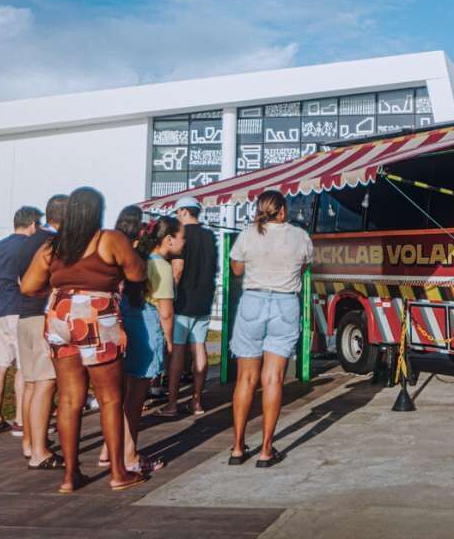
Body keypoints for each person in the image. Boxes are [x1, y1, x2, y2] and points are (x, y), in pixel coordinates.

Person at [20, 187, 146, 494]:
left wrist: (61, 291)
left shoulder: (53, 246)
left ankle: (70, 475)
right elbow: (137, 273)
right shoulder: (109, 239)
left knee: (69, 399)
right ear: (96, 212)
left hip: (60, 315)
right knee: (110, 398)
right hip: (96, 316)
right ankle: (118, 473)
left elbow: (28, 286)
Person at [228, 190, 312, 467]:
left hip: (253, 300)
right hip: (285, 304)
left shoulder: (249, 233)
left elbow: (237, 270)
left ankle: (238, 447)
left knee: (245, 380)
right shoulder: (300, 236)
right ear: (283, 211)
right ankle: (266, 450)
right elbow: (303, 268)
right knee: (273, 379)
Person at [99, 208, 179, 474]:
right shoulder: (161, 267)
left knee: (119, 395)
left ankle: (110, 449)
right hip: (147, 325)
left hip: (123, 322)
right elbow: (165, 311)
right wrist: (168, 341)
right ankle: (129, 454)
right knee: (135, 398)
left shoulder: (131, 260)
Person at [15, 195, 67, 469]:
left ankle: (29, 443)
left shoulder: (29, 241)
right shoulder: (52, 243)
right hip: (42, 317)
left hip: (24, 316)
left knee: (32, 384)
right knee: (46, 383)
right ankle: (39, 451)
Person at [0, 206, 40, 435]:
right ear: (33, 224)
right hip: (22, 310)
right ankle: (20, 421)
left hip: (1, 311)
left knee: (0, 366)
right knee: (23, 367)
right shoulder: (32, 246)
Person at [160, 195, 217, 417]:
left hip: (183, 300)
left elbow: (178, 269)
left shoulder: (180, 235)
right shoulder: (209, 235)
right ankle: (197, 401)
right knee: (199, 347)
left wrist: (170, 294)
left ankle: (172, 403)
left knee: (178, 352)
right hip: (204, 299)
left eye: (177, 213)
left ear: (183, 212)